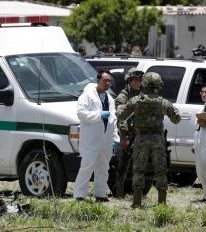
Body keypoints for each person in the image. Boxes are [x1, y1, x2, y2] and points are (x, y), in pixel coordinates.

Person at [117, 72, 180, 208]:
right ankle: (162, 203)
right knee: (161, 171)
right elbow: (177, 119)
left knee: (139, 171)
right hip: (158, 139)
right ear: (159, 85)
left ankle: (137, 202)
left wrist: (122, 106)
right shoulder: (163, 102)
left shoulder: (136, 101)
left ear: (144, 84)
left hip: (141, 139)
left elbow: (121, 115)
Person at [73, 70, 118, 202]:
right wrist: (98, 115)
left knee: (104, 168)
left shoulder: (110, 99)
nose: (107, 83)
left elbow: (113, 120)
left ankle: (100, 194)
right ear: (98, 80)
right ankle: (79, 195)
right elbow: (81, 114)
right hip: (91, 139)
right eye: (105, 80)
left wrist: (115, 138)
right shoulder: (87, 96)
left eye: (109, 81)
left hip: (106, 140)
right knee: (87, 166)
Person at [114, 68, 144, 197]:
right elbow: (121, 119)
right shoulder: (122, 97)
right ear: (129, 81)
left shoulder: (142, 95)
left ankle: (138, 191)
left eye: (140, 80)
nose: (138, 83)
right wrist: (125, 137)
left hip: (141, 134)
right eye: (136, 80)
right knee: (124, 164)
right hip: (128, 134)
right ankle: (119, 192)